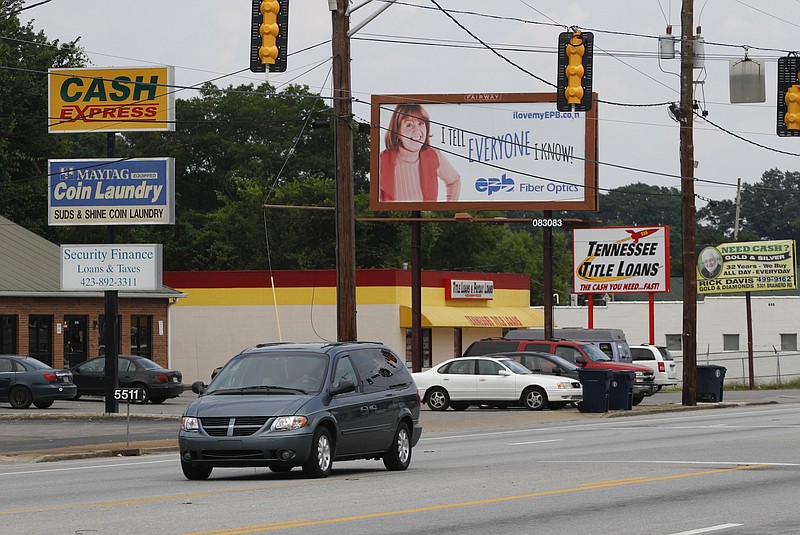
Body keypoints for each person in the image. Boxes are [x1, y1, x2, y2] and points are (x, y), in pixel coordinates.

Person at [379, 103, 461, 202]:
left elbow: (454, 181)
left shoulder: (433, 155)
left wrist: (447, 210)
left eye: (421, 123)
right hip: (394, 217)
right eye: (409, 125)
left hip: (427, 217)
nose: (417, 130)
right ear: (398, 132)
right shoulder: (382, 160)